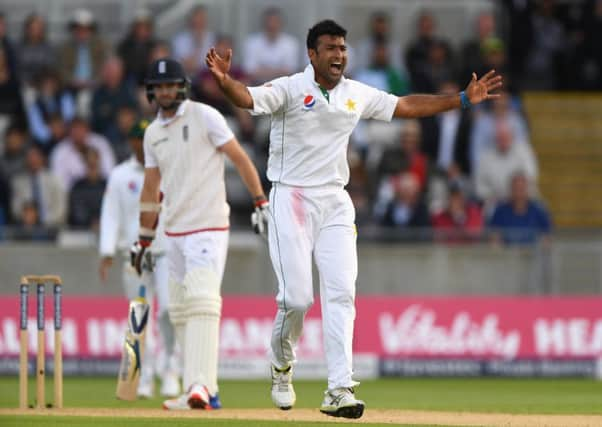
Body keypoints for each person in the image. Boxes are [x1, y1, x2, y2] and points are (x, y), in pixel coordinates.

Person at [206, 19, 501, 419]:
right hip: (290, 197)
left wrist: (461, 100)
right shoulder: (292, 88)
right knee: (296, 299)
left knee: (342, 293)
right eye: (330, 48)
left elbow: (405, 106)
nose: (338, 55)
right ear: (312, 54)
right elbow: (246, 98)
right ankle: (280, 365)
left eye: (342, 48)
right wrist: (224, 82)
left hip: (334, 202)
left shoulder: (354, 93)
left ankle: (339, 388)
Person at [130, 58, 267, 410]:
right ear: (151, 90)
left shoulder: (205, 116)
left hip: (207, 225)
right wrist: (144, 238)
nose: (164, 91)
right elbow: (150, 189)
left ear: (182, 86)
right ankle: (205, 389)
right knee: (178, 311)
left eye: (170, 85)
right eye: (158, 86)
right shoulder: (152, 134)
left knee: (203, 301)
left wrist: (259, 201)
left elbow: (239, 158)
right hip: (172, 230)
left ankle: (199, 386)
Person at [99, 119, 179, 399]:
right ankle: (143, 378)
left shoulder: (171, 171)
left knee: (169, 311)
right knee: (138, 315)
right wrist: (107, 251)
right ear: (133, 142)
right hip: (134, 254)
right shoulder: (121, 175)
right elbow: (110, 214)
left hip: (167, 251)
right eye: (138, 138)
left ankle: (169, 369)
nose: (143, 143)